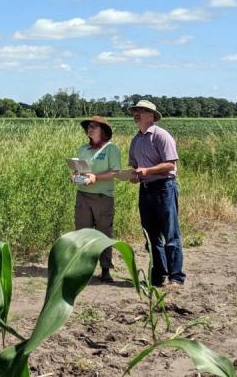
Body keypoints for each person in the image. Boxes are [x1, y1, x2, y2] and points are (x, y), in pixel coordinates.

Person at [127, 100, 185, 288]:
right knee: (151, 236)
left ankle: (176, 277)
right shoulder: (136, 140)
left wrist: (147, 171)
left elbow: (170, 164)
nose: (137, 113)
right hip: (145, 190)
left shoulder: (161, 136)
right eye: (136, 110)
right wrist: (135, 175)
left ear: (151, 116)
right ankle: (159, 275)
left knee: (170, 234)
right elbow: (135, 166)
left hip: (164, 187)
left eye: (142, 111)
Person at [72, 116, 122, 282]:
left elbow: (116, 173)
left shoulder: (111, 149)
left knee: (103, 233)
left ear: (103, 131)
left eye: (94, 126)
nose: (90, 129)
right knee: (82, 232)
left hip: (103, 197)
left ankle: (105, 269)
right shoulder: (83, 149)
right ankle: (83, 268)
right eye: (89, 127)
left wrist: (96, 177)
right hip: (83, 195)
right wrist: (75, 175)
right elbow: (80, 170)